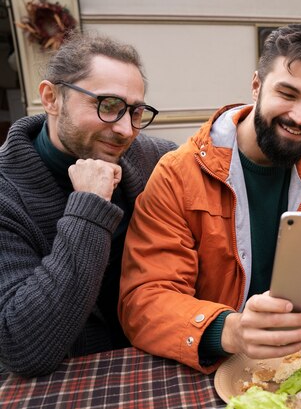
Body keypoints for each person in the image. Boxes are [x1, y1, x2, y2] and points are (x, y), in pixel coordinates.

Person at [119, 24, 301, 374]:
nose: (299, 116)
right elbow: (143, 301)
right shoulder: (177, 174)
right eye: (287, 94)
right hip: (211, 369)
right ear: (256, 86)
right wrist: (228, 330)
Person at [0, 33, 176, 377]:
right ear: (51, 98)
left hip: (159, 359)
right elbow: (24, 348)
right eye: (107, 105)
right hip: (68, 381)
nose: (126, 129)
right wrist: (90, 206)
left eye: (136, 111)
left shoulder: (158, 159)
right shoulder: (6, 193)